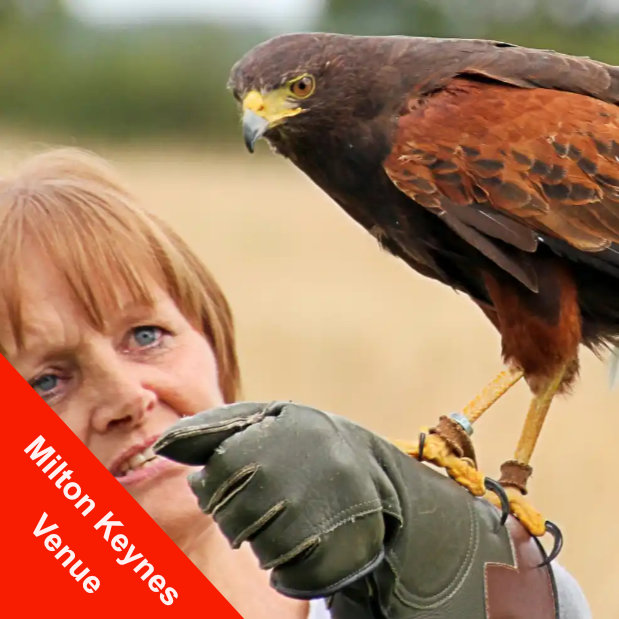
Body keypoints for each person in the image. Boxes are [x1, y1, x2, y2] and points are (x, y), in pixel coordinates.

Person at [0, 148, 591, 618]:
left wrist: (513, 593)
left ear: (213, 340)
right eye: (47, 381)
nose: (127, 398)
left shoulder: (396, 573)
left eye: (147, 335)